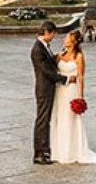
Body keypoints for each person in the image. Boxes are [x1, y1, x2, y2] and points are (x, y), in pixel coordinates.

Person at [49, 30, 96, 164]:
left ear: (73, 41)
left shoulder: (79, 56)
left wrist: (80, 96)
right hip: (60, 90)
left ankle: (73, 150)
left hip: (71, 90)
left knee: (70, 119)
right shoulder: (60, 54)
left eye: (68, 38)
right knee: (60, 117)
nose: (65, 39)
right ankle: (60, 149)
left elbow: (81, 77)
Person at [30, 21, 71, 165]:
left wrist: (56, 57)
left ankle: (44, 149)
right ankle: (40, 152)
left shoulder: (43, 47)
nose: (54, 36)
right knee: (42, 119)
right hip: (44, 88)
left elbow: (48, 64)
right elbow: (46, 70)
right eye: (53, 33)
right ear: (47, 32)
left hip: (47, 87)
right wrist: (64, 78)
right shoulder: (37, 49)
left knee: (45, 119)